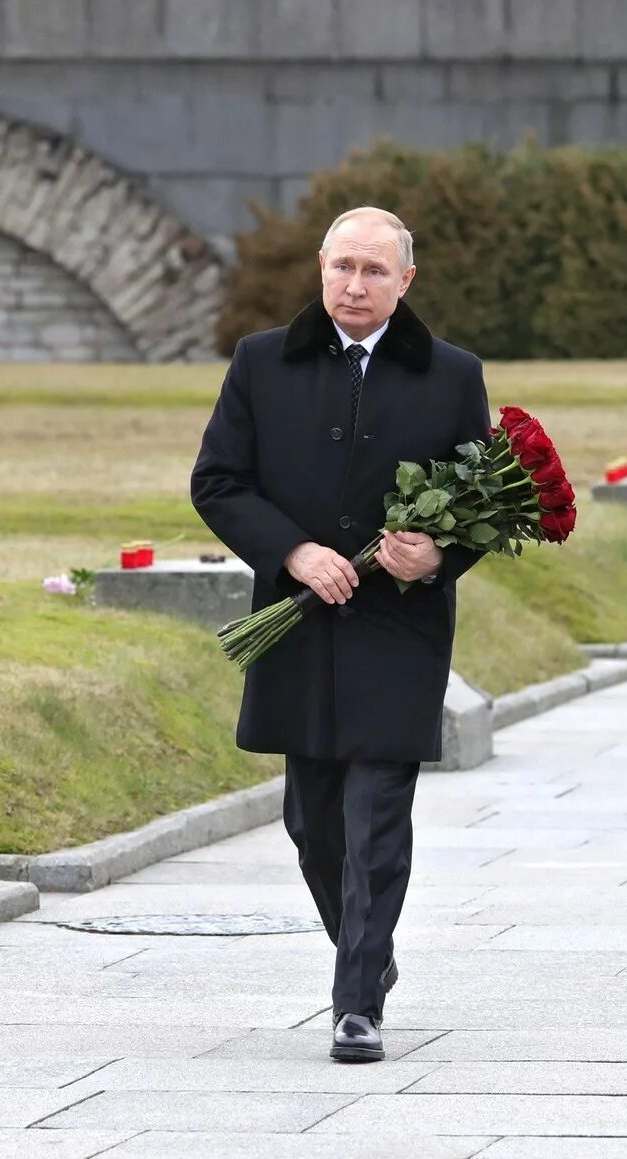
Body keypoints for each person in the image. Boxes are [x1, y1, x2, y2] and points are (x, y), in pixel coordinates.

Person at [190, 207, 491, 1062]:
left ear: (406, 281)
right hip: (298, 630)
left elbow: (478, 507)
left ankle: (356, 1004)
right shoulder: (259, 362)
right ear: (321, 268)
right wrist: (294, 550)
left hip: (399, 631)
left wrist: (435, 555)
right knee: (313, 823)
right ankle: (369, 957)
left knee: (375, 815)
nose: (355, 286)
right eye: (342, 268)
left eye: (374, 271)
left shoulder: (451, 374)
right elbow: (217, 481)